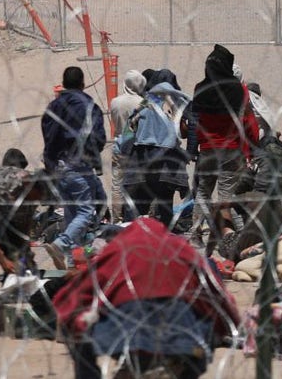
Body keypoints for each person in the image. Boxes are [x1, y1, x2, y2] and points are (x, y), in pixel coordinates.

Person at [53, 218, 240, 379]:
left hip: (123, 335)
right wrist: (232, 327)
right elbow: (218, 295)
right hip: (183, 336)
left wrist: (73, 322)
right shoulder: (182, 250)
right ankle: (179, 370)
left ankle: (119, 370)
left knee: (84, 321)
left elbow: (74, 297)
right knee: (205, 326)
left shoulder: (119, 251)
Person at [192, 44, 259, 259]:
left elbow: (194, 119)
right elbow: (245, 120)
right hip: (231, 149)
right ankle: (236, 237)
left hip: (208, 149)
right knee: (227, 197)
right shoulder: (238, 89)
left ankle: (195, 234)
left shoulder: (199, 88)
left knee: (203, 191)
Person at [42, 66, 107, 270]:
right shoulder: (88, 105)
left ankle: (71, 261)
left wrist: (51, 162)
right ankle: (62, 244)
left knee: (72, 212)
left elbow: (48, 134)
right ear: (82, 83)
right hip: (79, 165)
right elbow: (97, 137)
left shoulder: (54, 106)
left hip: (58, 166)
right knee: (86, 211)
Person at [122, 82, 192, 227]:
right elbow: (180, 134)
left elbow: (128, 133)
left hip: (143, 162)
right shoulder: (173, 106)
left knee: (140, 204)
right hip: (166, 165)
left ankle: (135, 233)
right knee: (165, 202)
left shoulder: (143, 107)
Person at [0, 166, 52, 293]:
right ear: (31, 186)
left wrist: (26, 251)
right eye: (40, 195)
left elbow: (24, 225)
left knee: (17, 249)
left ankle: (12, 287)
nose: (40, 200)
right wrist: (2, 259)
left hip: (2, 211)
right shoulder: (7, 190)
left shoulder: (31, 196)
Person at [108, 69, 147, 224]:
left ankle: (117, 219)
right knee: (136, 183)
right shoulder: (143, 104)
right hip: (136, 147)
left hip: (119, 144)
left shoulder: (115, 102)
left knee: (117, 184)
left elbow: (115, 122)